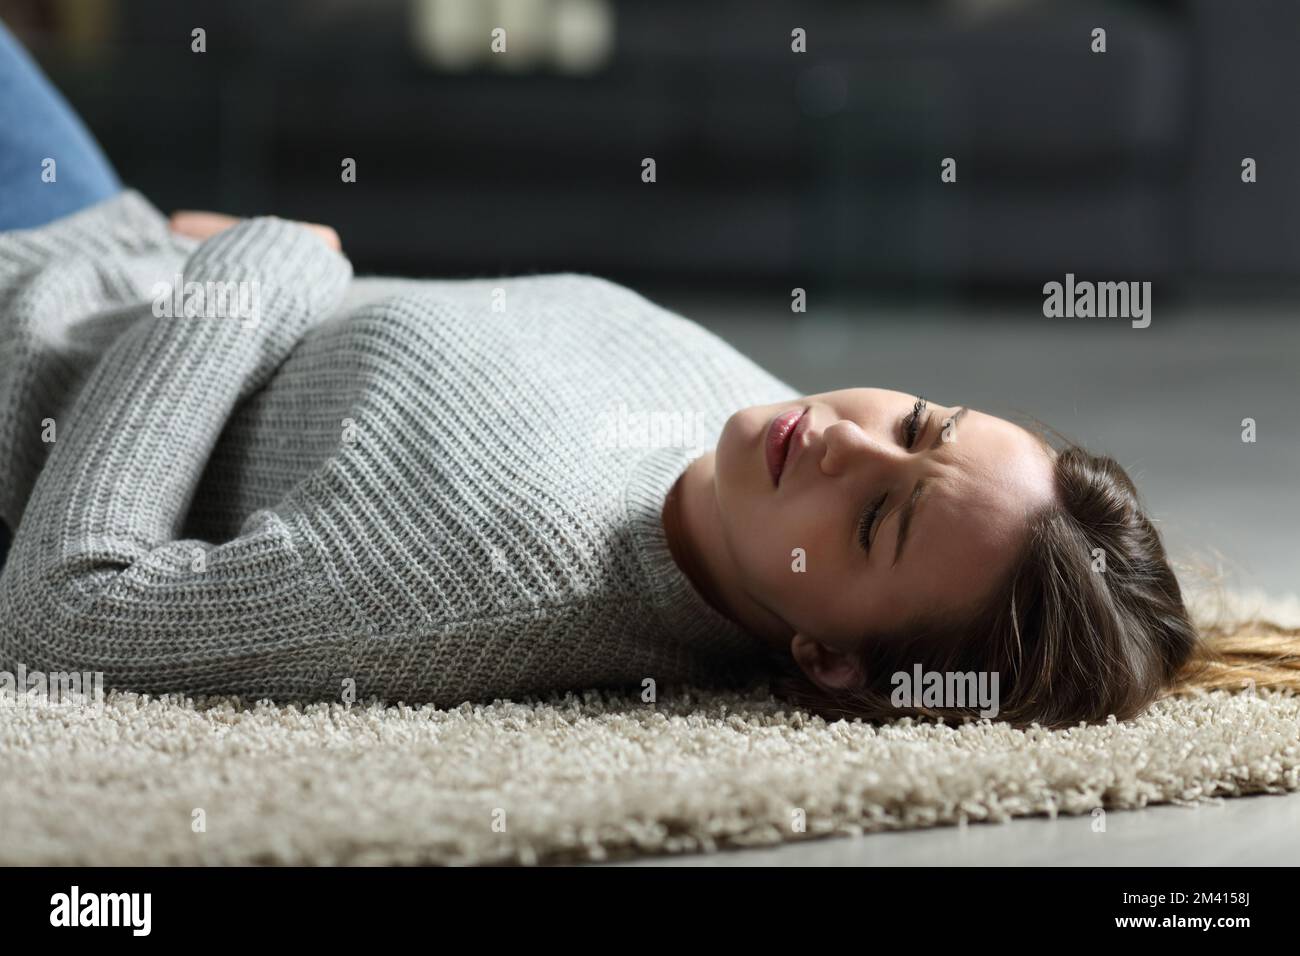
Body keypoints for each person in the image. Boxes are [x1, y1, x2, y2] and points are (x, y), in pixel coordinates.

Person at [1, 20, 1295, 726]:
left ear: (827, 659)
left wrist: (250, 278)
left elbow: (63, 612)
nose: (848, 443)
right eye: (919, 423)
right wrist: (218, 281)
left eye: (878, 520)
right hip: (96, 228)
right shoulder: (739, 440)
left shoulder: (470, 587)